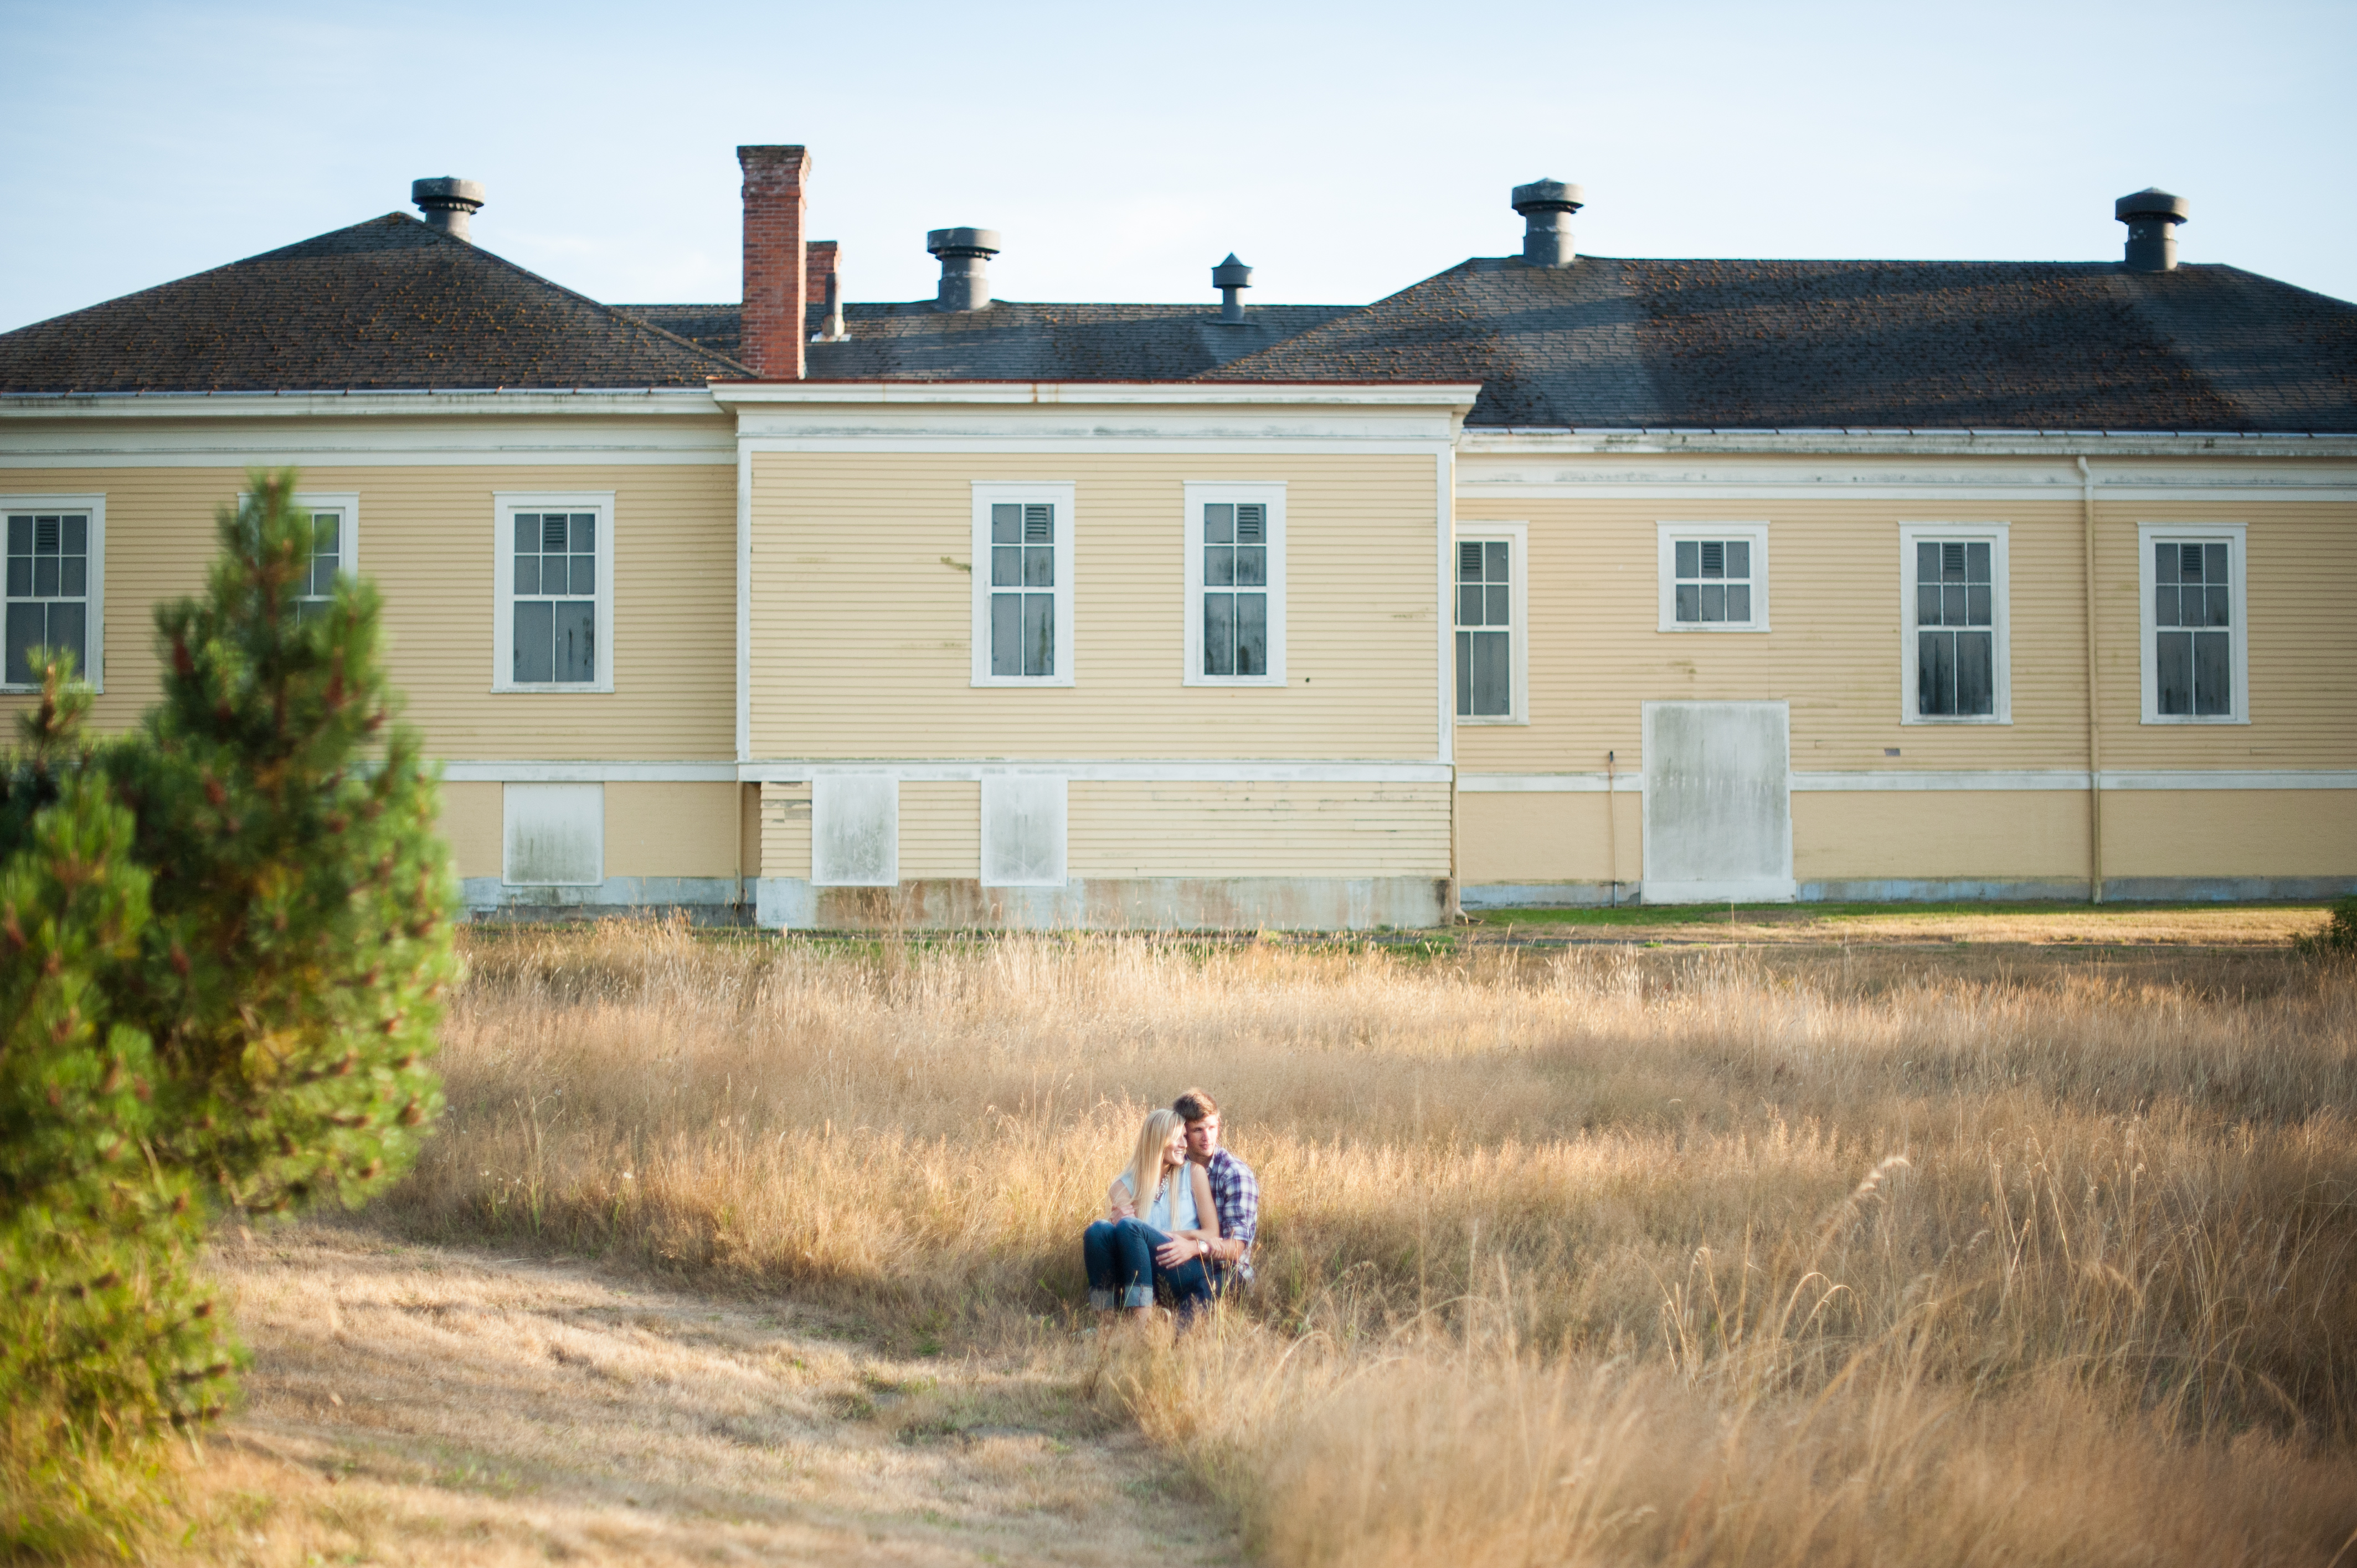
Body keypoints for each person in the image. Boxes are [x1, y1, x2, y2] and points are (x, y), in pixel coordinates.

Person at [1083, 1108, 1221, 1321]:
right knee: (1098, 1231)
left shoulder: (1193, 1173)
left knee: (1131, 1227)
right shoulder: (1122, 1186)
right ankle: (1106, 1321)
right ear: (1158, 1141)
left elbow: (1212, 1233)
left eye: (1185, 1136)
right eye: (1178, 1138)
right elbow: (1126, 1237)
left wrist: (1167, 1236)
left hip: (1183, 1265)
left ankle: (1142, 1322)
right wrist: (1118, 1224)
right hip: (1142, 1270)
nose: (1185, 1144)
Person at [1169, 1088, 1257, 1293]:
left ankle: (1179, 1326)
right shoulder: (1174, 1168)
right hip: (1186, 1264)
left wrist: (1195, 1248)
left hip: (1230, 1271)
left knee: (1202, 1289)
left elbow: (1236, 1249)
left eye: (1212, 1127)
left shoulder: (1235, 1175)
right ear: (1182, 1132)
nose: (1207, 1137)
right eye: (1198, 1130)